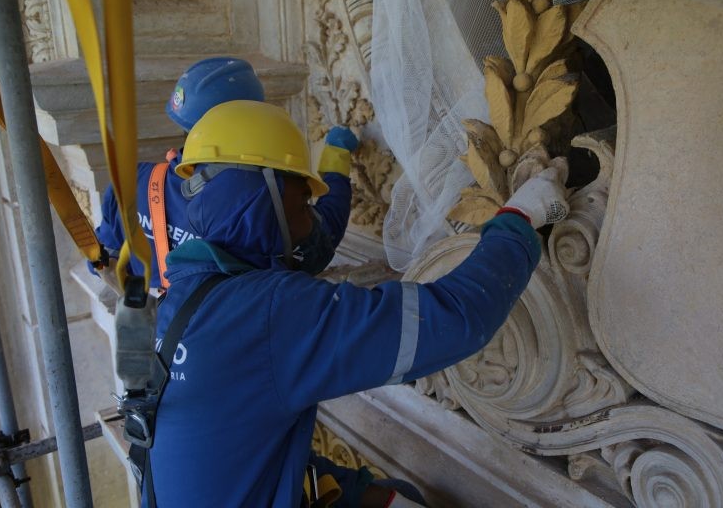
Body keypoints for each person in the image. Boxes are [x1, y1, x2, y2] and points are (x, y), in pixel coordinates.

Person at [146, 100, 569, 507]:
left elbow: (248, 455)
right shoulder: (268, 311)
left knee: (395, 489)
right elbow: (456, 318)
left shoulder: (181, 298)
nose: (310, 222)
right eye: (303, 202)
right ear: (264, 194)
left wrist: (359, 492)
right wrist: (518, 219)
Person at [92, 57, 358, 291]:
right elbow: (322, 238)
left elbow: (102, 260)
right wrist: (336, 156)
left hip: (165, 327)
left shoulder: (132, 181)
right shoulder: (256, 203)